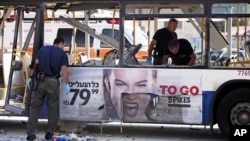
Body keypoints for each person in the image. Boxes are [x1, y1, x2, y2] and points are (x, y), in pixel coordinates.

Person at [26, 37, 70, 141]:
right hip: (53, 82)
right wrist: (67, 83)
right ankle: (49, 133)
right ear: (61, 43)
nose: (63, 47)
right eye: (63, 45)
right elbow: (64, 69)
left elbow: (35, 64)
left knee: (35, 107)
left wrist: (31, 77)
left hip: (39, 81)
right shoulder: (62, 54)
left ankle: (31, 134)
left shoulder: (42, 49)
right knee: (52, 108)